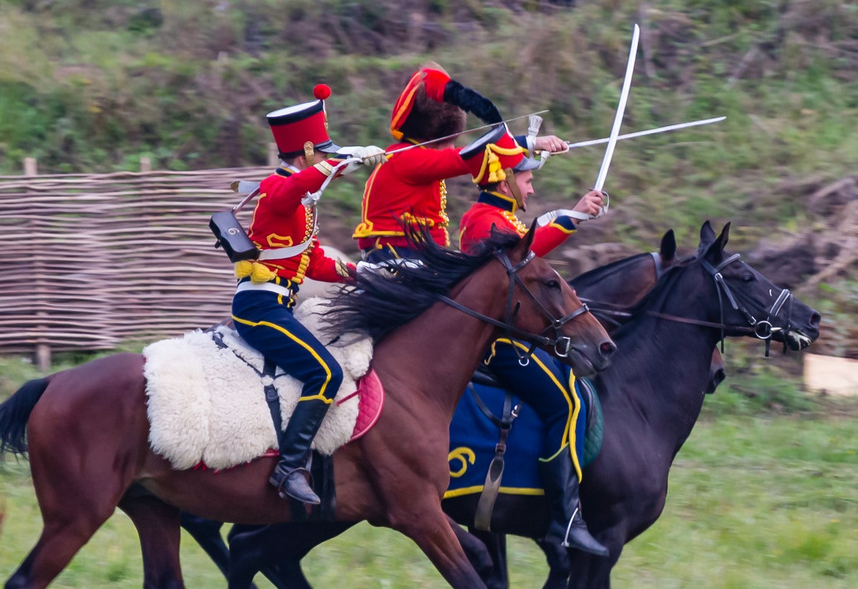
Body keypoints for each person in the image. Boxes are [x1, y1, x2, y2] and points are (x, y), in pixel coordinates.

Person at [455, 133, 613, 556]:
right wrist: (574, 215)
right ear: (504, 178)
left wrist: (571, 215)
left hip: (514, 339)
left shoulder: (503, 219)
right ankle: (563, 519)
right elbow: (523, 259)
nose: (531, 187)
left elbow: (529, 245)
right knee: (568, 403)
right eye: (525, 179)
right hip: (497, 346)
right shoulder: (482, 220)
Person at [230, 85, 383, 507]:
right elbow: (290, 188)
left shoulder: (302, 205)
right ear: (310, 152)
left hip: (278, 304)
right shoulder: (277, 191)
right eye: (324, 153)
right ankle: (289, 468)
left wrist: (363, 272)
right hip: (259, 307)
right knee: (327, 374)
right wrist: (345, 159)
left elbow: (311, 262)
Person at [351, 64, 573, 262]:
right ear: (432, 135)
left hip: (417, 251)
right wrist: (530, 143)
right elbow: (467, 157)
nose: (450, 147)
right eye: (448, 142)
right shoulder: (407, 158)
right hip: (399, 254)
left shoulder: (409, 156)